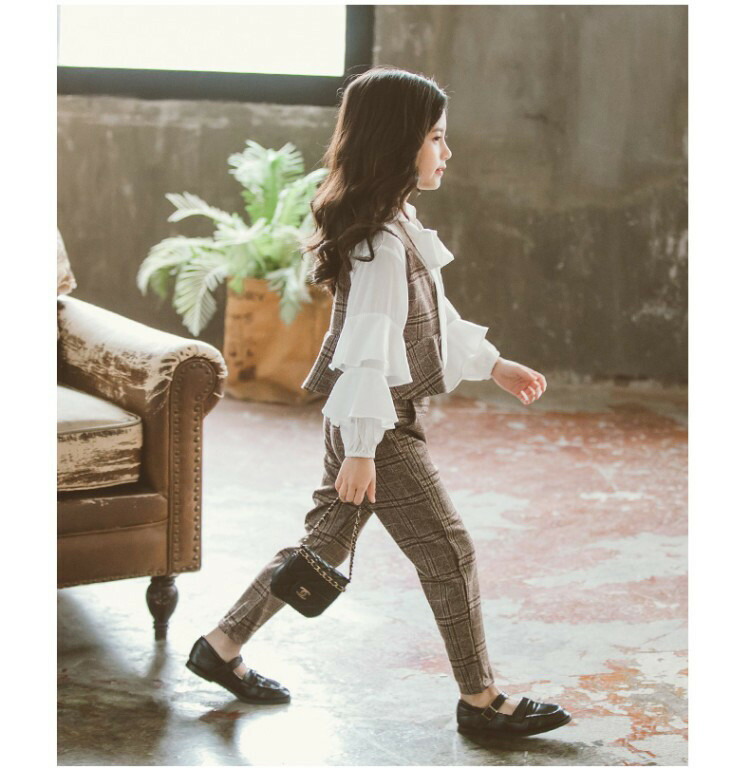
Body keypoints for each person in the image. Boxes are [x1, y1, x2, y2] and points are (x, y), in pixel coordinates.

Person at [187, 66, 572, 740]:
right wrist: (362, 449)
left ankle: (221, 645)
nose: (447, 151)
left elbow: (434, 316)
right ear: (398, 143)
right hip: (377, 425)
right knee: (449, 551)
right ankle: (480, 700)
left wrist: (494, 364)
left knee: (325, 545)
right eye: (436, 138)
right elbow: (366, 352)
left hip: (369, 419)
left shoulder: (397, 226)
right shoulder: (380, 246)